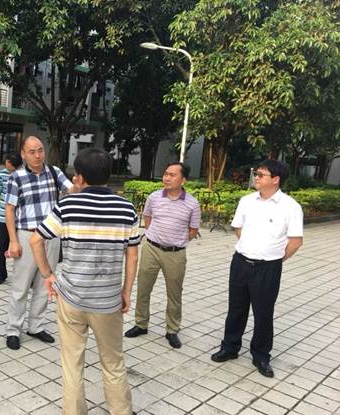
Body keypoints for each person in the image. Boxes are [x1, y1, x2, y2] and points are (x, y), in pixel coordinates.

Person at [30, 148, 140, 415]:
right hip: (108, 301)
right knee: (113, 363)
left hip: (71, 298)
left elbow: (36, 240)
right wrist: (126, 292)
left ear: (79, 177)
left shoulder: (67, 206)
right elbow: (133, 255)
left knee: (72, 363)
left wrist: (48, 275)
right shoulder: (126, 208)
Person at [211, 160, 303, 378]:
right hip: (240, 263)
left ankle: (261, 355)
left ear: (276, 179)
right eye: (256, 173)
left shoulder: (290, 207)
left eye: (261, 174)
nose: (256, 177)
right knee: (236, 308)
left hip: (268, 268)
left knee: (263, 313)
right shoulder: (246, 201)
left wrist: (274, 259)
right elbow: (238, 228)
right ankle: (230, 347)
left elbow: (296, 241)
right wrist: (250, 248)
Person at [5, 136, 73, 350]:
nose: (37, 155)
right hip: (27, 235)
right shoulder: (16, 177)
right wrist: (13, 241)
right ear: (23, 154)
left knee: (46, 284)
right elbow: (9, 210)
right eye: (32, 151)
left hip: (51, 237)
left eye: (40, 150)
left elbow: (72, 190)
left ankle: (36, 326)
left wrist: (83, 185)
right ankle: (13, 330)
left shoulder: (54, 172)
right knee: (21, 286)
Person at [125, 162, 201, 349]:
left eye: (172, 175)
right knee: (143, 288)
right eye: (166, 174)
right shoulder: (154, 197)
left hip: (175, 253)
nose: (166, 178)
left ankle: (172, 330)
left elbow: (193, 230)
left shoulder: (192, 203)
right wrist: (155, 235)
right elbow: (148, 218)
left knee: (174, 293)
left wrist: (176, 240)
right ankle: (141, 324)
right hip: (151, 248)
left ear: (183, 180)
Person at [0, 153, 23, 285]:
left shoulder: (25, 175)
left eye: (8, 163)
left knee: (23, 249)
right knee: (1, 247)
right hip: (3, 217)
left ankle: (23, 276)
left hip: (20, 218)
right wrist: (0, 207)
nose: (6, 164)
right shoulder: (2, 174)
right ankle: (0, 274)